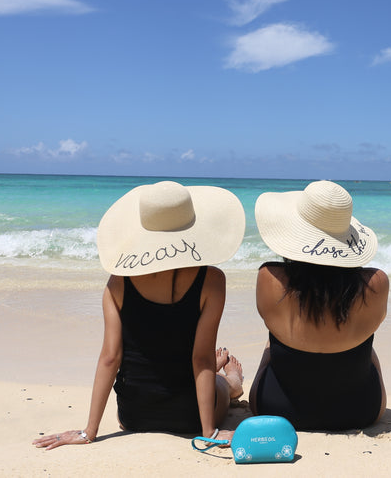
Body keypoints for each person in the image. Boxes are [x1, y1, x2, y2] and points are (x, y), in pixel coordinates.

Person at [33, 181, 246, 449]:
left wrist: (89, 431)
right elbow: (201, 358)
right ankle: (233, 380)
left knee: (191, 367)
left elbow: (110, 358)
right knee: (222, 385)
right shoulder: (212, 281)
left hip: (133, 415)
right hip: (189, 417)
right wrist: (208, 432)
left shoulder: (118, 282)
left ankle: (218, 376)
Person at [249, 180, 389, 431]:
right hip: (362, 411)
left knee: (272, 342)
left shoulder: (269, 278)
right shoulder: (376, 283)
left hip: (275, 409)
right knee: (367, 345)